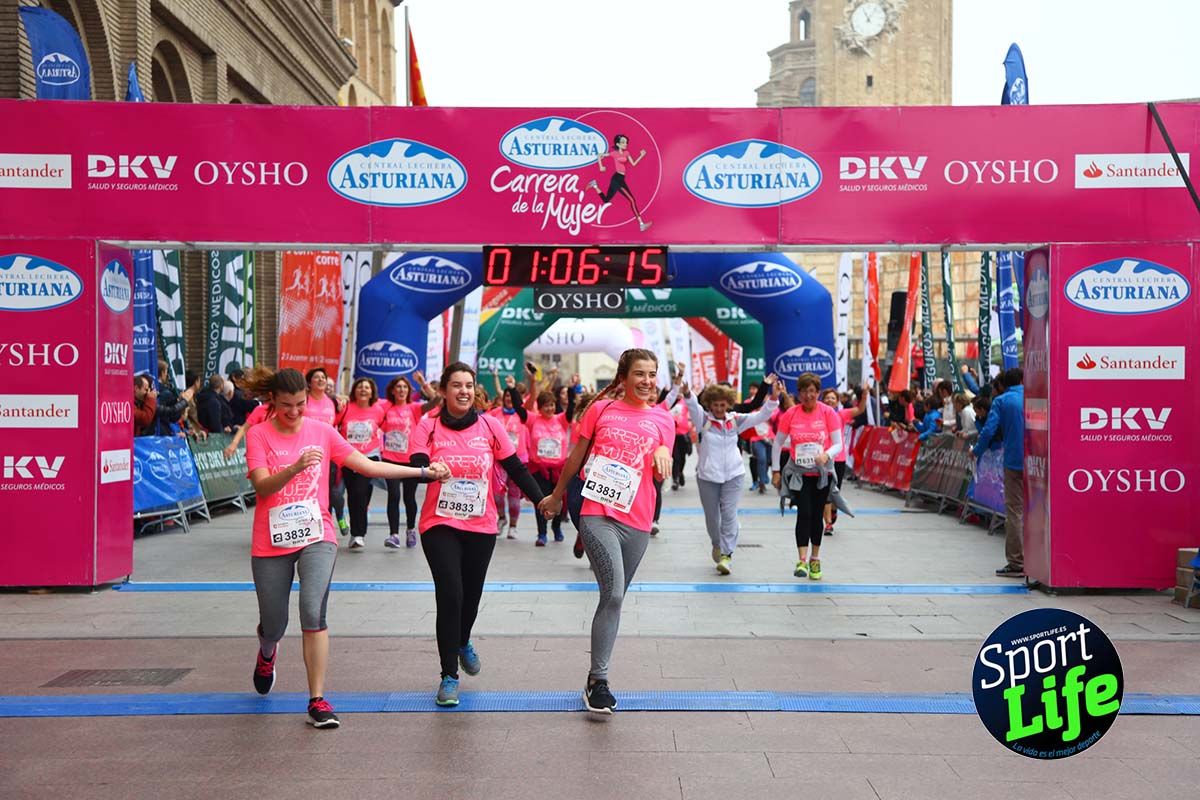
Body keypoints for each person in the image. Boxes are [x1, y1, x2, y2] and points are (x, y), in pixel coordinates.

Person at [242, 366, 448, 728]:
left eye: (301, 404)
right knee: (274, 623)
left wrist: (422, 473)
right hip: (272, 539)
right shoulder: (259, 434)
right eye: (287, 405)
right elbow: (262, 487)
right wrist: (295, 467)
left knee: (312, 611)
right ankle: (267, 651)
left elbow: (368, 466)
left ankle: (317, 700)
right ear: (272, 401)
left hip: (317, 535)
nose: (294, 412)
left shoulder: (321, 431)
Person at [538, 349, 673, 715]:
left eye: (652, 374)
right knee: (612, 592)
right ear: (623, 377)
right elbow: (576, 457)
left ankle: (594, 677)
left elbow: (664, 461)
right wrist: (556, 495)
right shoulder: (601, 411)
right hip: (596, 511)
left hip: (638, 520)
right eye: (640, 374)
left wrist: (663, 454)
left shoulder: (663, 419)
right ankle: (599, 680)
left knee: (613, 598)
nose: (646, 381)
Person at [408, 363, 545, 707]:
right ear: (444, 390)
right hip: (439, 523)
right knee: (450, 592)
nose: (464, 391)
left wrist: (543, 500)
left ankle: (463, 640)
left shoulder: (490, 425)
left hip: (481, 525)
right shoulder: (428, 425)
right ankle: (448, 676)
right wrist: (428, 470)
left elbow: (515, 468)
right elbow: (416, 462)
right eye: (456, 385)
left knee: (470, 595)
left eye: (469, 385)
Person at [685, 380, 777, 575]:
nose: (719, 408)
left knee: (729, 514)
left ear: (728, 403)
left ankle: (727, 555)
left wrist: (774, 398)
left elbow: (761, 415)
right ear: (710, 405)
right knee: (712, 518)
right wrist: (686, 392)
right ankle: (716, 543)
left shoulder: (736, 420)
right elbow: (693, 406)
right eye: (715, 405)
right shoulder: (704, 420)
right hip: (708, 476)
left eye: (723, 404)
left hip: (734, 475)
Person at [771, 373, 844, 580]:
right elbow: (777, 444)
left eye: (812, 391)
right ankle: (802, 560)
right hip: (799, 473)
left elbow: (838, 444)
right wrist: (776, 471)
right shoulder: (791, 414)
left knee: (816, 515)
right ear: (799, 393)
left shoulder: (828, 413)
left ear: (818, 393)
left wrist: (826, 454)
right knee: (804, 512)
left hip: (822, 473)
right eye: (804, 391)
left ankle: (815, 558)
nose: (808, 396)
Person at [973, 368, 1025, 578]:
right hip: (1041, 461)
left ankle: (1016, 562)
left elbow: (988, 430)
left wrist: (976, 451)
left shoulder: (1002, 401)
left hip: (1014, 462)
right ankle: (1041, 558)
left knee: (1014, 511)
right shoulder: (1037, 396)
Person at [380, 376, 433, 549]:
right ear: (393, 390)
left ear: (409, 391)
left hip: (410, 460)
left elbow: (438, 400)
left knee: (409, 498)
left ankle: (410, 529)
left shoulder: (415, 408)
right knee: (393, 495)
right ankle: (393, 534)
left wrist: (424, 385)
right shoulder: (385, 407)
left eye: (405, 387)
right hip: (390, 459)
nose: (402, 390)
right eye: (398, 387)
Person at [337, 378, 387, 550]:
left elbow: (390, 424)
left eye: (367, 387)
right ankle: (357, 532)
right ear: (354, 391)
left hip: (370, 457)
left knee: (361, 492)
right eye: (360, 387)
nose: (363, 390)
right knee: (354, 494)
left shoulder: (379, 410)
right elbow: (333, 423)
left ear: (372, 392)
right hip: (349, 457)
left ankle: (359, 533)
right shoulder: (346, 408)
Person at [525, 377, 576, 546]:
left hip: (558, 470)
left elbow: (571, 410)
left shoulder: (561, 419)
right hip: (539, 469)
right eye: (546, 405)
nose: (549, 408)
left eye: (552, 405)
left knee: (557, 500)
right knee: (541, 501)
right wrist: (511, 389)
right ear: (539, 408)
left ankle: (556, 527)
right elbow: (520, 410)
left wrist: (571, 389)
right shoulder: (533, 420)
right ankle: (542, 533)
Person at [306, 368, 350, 537]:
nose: (320, 379)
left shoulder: (332, 402)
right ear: (309, 382)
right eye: (316, 377)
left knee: (333, 493)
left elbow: (338, 424)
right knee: (311, 492)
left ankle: (338, 516)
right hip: (307, 453)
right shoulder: (304, 400)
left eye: (323, 377)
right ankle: (316, 526)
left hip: (328, 455)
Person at [487, 372, 531, 539]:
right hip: (499, 461)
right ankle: (502, 519)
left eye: (510, 396)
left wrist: (514, 388)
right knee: (497, 493)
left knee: (513, 495)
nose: (508, 399)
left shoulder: (522, 414)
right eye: (505, 396)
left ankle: (513, 526)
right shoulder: (495, 413)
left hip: (518, 460)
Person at [821, 386, 868, 536]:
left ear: (837, 402)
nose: (829, 400)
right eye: (827, 397)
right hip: (823, 458)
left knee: (835, 491)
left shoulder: (841, 415)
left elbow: (860, 410)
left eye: (833, 398)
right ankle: (828, 524)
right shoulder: (817, 415)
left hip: (838, 459)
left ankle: (834, 510)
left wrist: (865, 394)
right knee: (825, 491)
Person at [586, 133, 652, 231]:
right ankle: (641, 224)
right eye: (623, 142)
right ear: (617, 144)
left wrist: (641, 155)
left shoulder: (627, 153)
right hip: (617, 179)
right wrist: (601, 166)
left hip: (620, 178)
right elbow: (599, 155)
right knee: (632, 200)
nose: (625, 144)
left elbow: (633, 163)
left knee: (606, 200)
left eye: (626, 142)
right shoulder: (614, 153)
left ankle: (595, 185)